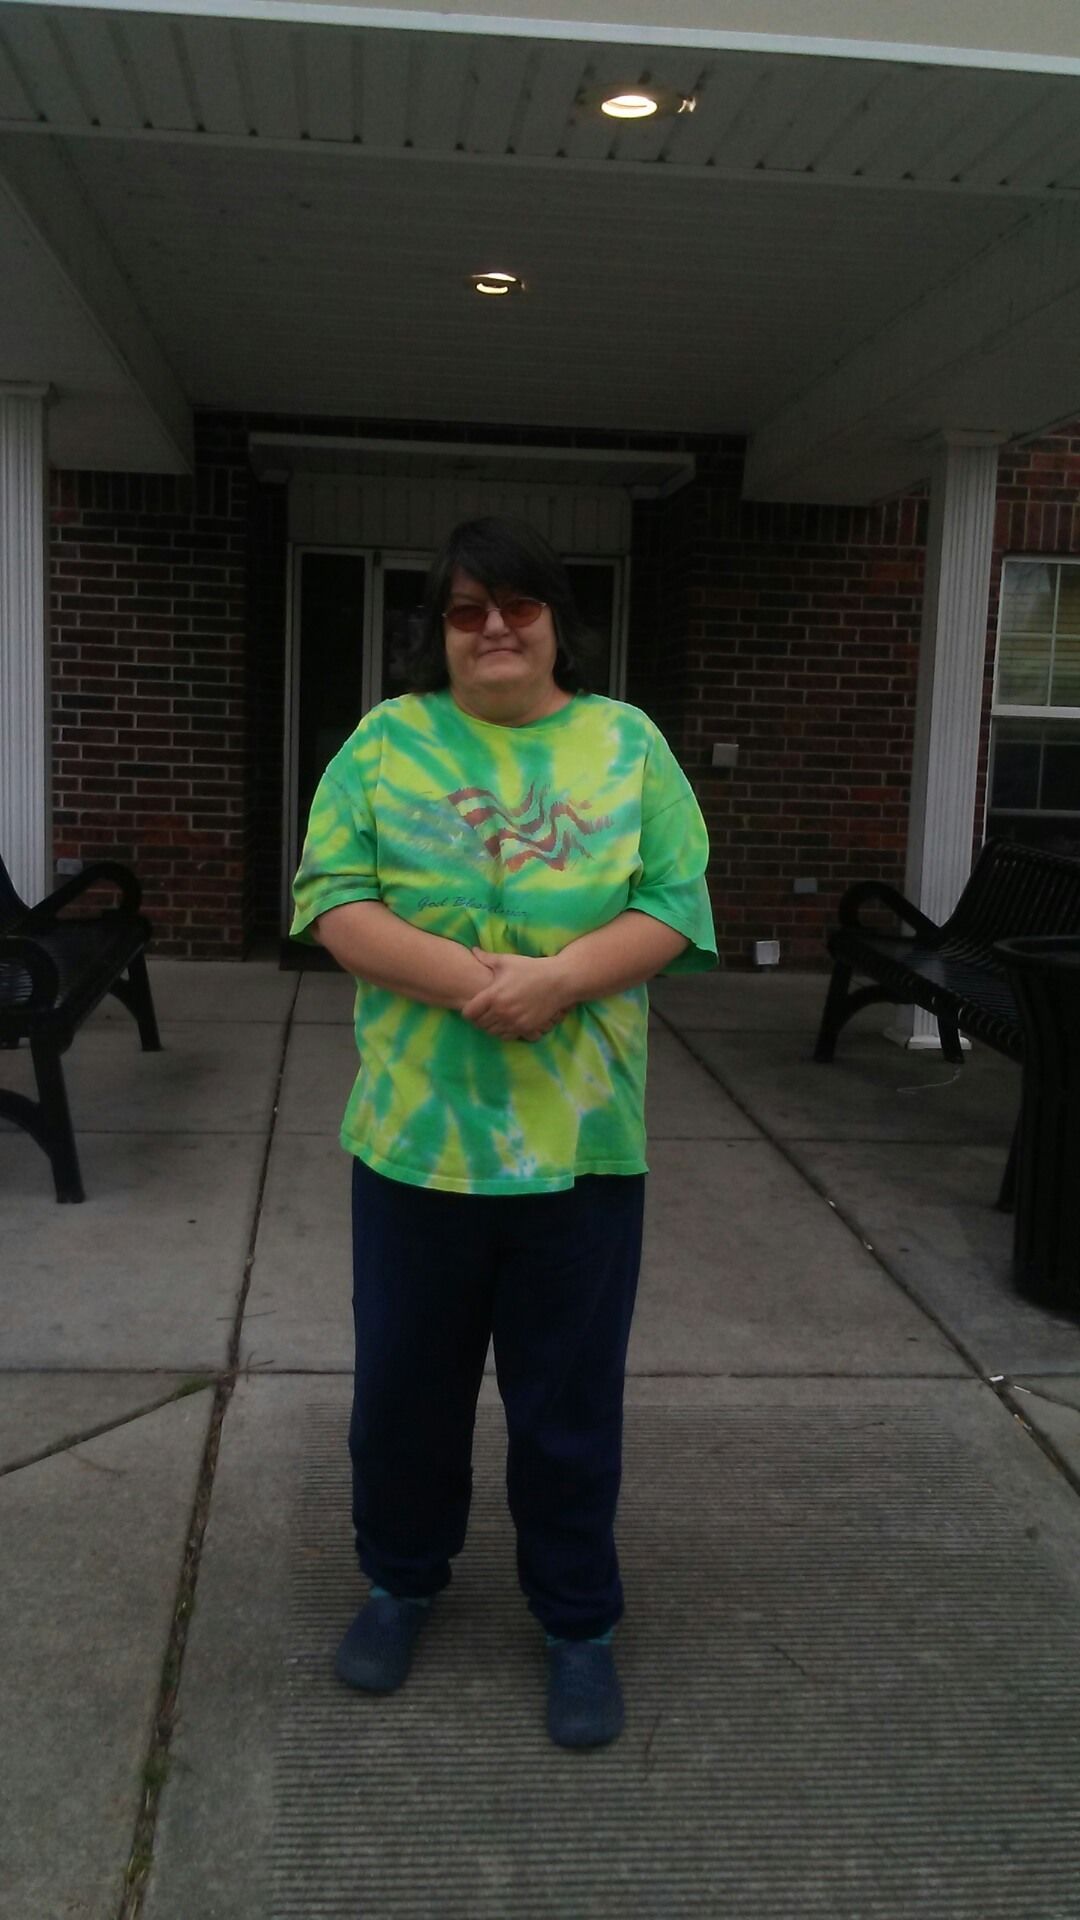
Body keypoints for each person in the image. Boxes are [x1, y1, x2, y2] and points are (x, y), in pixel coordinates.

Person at [291, 515, 717, 1749]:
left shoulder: (627, 744)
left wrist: (562, 980)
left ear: (554, 623)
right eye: (467, 608)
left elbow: (674, 904)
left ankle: (578, 1622)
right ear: (438, 629)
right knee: (403, 1397)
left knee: (567, 1408)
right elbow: (334, 901)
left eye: (518, 605)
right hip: (415, 1149)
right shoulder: (385, 742)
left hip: (580, 1156)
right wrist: (485, 985)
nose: (493, 628)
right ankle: (400, 1580)